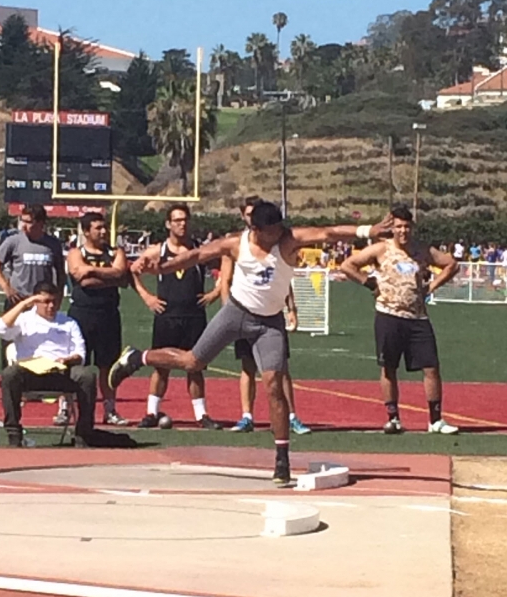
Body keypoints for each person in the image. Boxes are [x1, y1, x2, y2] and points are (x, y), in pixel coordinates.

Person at [110, 201, 393, 485]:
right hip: (236, 313)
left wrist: (368, 229)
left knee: (274, 386)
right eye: (271, 232)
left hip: (269, 323)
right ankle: (138, 357)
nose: (278, 235)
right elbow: (196, 255)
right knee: (193, 362)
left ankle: (281, 459)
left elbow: (328, 233)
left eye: (279, 228)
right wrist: (162, 267)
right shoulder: (236, 243)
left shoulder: (288, 239)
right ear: (254, 229)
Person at [340, 204, 459, 435]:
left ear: (411, 227)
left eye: (406, 227)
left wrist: (431, 286)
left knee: (431, 367)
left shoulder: (422, 251)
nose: (403, 231)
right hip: (388, 315)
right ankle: (393, 417)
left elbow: (451, 265)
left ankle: (435, 419)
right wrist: (369, 283)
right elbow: (348, 265)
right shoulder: (380, 249)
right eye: (398, 227)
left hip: (417, 317)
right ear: (392, 228)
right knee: (389, 367)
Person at [221, 198, 309, 435]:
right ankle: (246, 415)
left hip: (270, 315)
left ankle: (291, 416)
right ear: (244, 218)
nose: (251, 218)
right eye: (248, 214)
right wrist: (228, 315)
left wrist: (291, 308)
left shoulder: (277, 242)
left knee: (280, 368)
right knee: (247, 367)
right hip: (241, 311)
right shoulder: (237, 243)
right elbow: (225, 280)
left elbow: (282, 279)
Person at [131, 203, 221, 430]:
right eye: (177, 220)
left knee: (196, 367)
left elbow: (228, 265)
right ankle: (151, 412)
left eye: (185, 220)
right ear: (168, 224)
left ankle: (201, 415)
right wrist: (147, 297)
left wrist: (215, 293)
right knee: (161, 367)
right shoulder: (158, 252)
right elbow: (132, 272)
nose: (182, 224)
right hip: (167, 315)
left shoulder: (201, 251)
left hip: (194, 316)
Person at [0, 281, 97, 448]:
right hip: (30, 373)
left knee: (87, 376)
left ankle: (83, 433)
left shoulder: (68, 322)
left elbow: (81, 353)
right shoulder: (24, 320)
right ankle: (14, 432)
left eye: (54, 301)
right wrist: (24, 304)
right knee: (9, 375)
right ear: (36, 302)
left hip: (61, 373)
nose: (51, 306)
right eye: (46, 302)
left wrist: (68, 360)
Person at [66, 212, 129, 427]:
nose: (103, 232)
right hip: (82, 313)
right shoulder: (76, 252)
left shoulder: (115, 252)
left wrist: (92, 270)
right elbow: (79, 277)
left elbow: (121, 273)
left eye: (104, 227)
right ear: (85, 231)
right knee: (74, 362)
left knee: (108, 366)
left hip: (109, 314)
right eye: (97, 228)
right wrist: (109, 276)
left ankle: (110, 410)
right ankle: (66, 408)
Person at [0, 205, 65, 368]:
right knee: (9, 343)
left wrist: (58, 297)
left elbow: (60, 273)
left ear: (40, 223)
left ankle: (37, 382)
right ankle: (9, 381)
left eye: (28, 222)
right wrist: (6, 286)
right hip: (18, 301)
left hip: (41, 303)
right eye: (22, 220)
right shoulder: (14, 241)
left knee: (41, 342)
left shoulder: (52, 244)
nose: (24, 225)